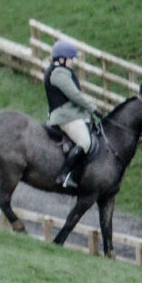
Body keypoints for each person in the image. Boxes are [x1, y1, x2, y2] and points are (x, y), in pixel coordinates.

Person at [45, 39, 102, 188]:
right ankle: (64, 175)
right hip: (65, 117)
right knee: (85, 142)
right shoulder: (58, 74)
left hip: (72, 114)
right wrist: (93, 108)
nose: (73, 61)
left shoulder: (63, 71)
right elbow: (75, 95)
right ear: (61, 59)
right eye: (71, 58)